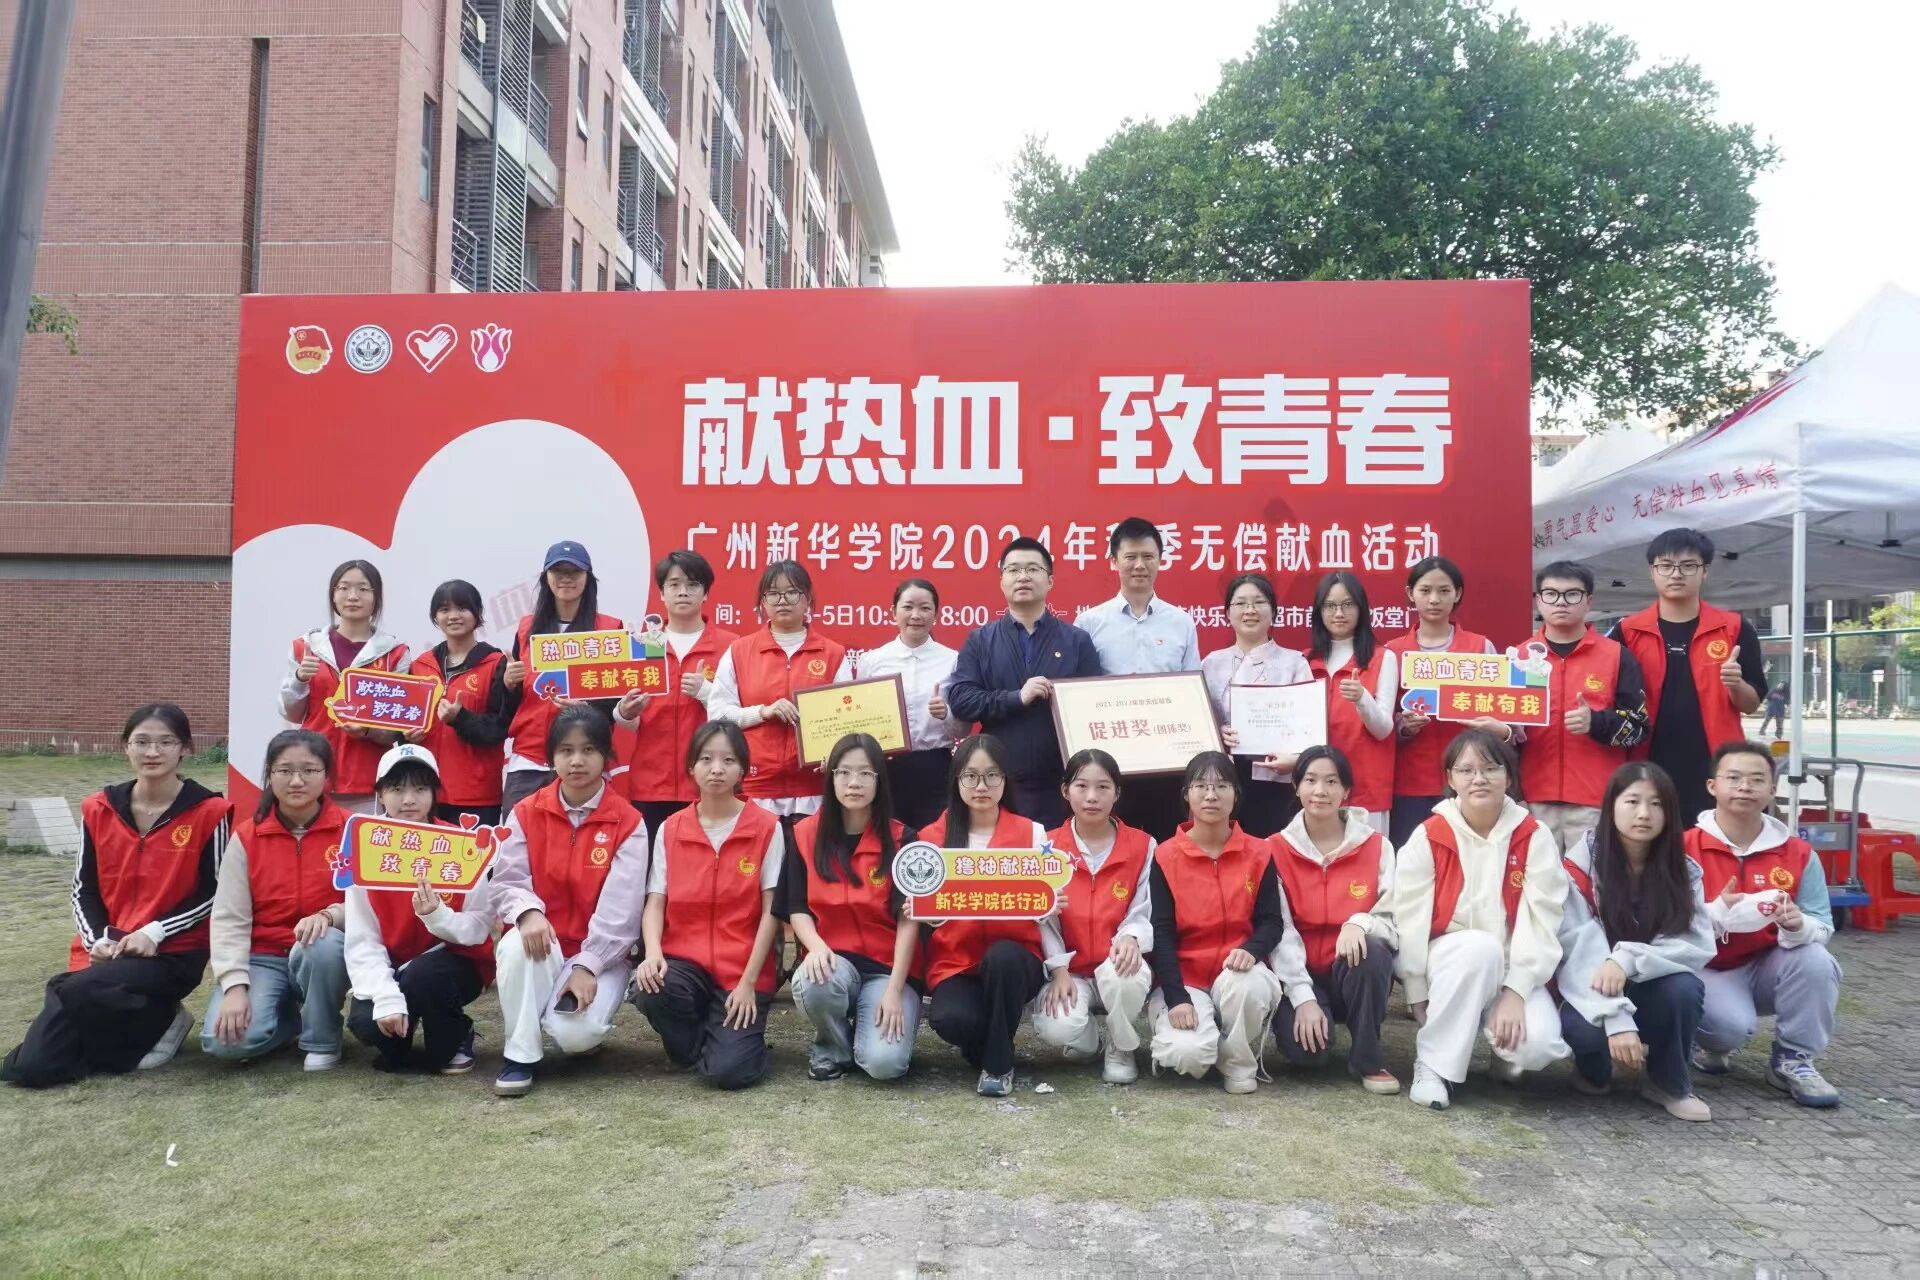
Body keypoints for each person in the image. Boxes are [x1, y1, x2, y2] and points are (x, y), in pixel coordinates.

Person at [2, 705, 226, 1088]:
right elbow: (83, 888)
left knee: (76, 988)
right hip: (105, 951)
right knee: (30, 1070)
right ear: (125, 746)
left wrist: (154, 932)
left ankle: (162, 1019)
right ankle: (151, 1024)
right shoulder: (98, 808)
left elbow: (214, 892)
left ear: (185, 749)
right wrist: (97, 941)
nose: (152, 752)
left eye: (165, 742)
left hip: (172, 952)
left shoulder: (211, 811)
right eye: (141, 742)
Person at [1391, 729, 1569, 1111]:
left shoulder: (1534, 836)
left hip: (1510, 965)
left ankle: (1503, 1055)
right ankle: (1433, 1065)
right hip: (1449, 960)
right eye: (1466, 770)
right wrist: (1416, 989)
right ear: (1450, 778)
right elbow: (1409, 917)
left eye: (1490, 768)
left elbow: (1544, 920)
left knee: (1537, 1046)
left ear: (1509, 775)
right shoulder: (1430, 835)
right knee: (1479, 949)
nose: (1479, 779)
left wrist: (1516, 991)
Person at [488, 704, 648, 1097]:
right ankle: (520, 1056)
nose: (577, 761)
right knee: (515, 944)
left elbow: (622, 909)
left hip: (601, 955)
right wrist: (527, 912)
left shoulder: (628, 821)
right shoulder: (526, 812)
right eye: (566, 750)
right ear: (551, 757)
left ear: (606, 756)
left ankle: (559, 1018)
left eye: (589, 750)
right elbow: (507, 878)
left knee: (575, 1036)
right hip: (544, 943)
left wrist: (588, 965)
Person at [1685, 741, 1843, 1108]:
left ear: (1772, 789)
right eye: (1734, 778)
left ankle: (1793, 1059)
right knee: (1727, 1029)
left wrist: (1799, 926)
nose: (1744, 787)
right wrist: (1714, 913)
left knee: (1817, 960)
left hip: (1768, 966)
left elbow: (1822, 922)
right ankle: (1703, 1042)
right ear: (1712, 786)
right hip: (1706, 967)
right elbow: (1664, 922)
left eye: (1757, 779)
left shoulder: (1798, 853)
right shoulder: (1683, 847)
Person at [1555, 762, 1714, 1121]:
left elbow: (1693, 943)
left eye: (1656, 804)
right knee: (1583, 1030)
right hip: (1589, 985)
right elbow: (1576, 945)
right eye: (1632, 801)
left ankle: (1668, 1083)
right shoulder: (1579, 868)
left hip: (1651, 985)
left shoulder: (1683, 871)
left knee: (1684, 989)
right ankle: (1592, 1070)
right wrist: (1617, 1019)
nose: (1644, 814)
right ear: (1610, 806)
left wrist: (1624, 960)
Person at [634, 721, 784, 1090]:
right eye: (706, 759)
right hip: (685, 965)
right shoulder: (671, 828)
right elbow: (656, 901)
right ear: (691, 767)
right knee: (650, 987)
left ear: (742, 769)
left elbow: (772, 911)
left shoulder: (767, 827)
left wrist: (749, 982)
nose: (716, 769)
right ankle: (697, 1041)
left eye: (728, 760)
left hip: (742, 969)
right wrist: (652, 953)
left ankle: (726, 1040)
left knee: (729, 1073)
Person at [203, 729, 353, 1071]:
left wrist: (330, 915)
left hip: (324, 952)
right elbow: (229, 917)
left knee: (323, 944)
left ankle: (322, 1039)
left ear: (327, 776)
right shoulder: (247, 837)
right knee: (223, 1042)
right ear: (269, 775)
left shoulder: (351, 830)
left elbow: (368, 903)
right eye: (284, 770)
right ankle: (288, 1022)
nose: (296, 781)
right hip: (263, 957)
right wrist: (234, 985)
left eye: (309, 770)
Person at [342, 744, 497, 1074]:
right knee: (369, 1027)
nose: (409, 800)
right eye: (397, 789)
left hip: (454, 963)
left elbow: (479, 926)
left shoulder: (460, 846)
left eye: (421, 789)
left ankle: (457, 1034)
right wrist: (386, 996)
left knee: (426, 980)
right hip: (394, 967)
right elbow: (363, 939)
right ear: (380, 794)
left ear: (434, 793)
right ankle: (403, 1029)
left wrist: (437, 917)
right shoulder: (365, 849)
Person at [923, 733, 1063, 1097]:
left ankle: (998, 1066)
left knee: (1003, 957)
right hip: (956, 962)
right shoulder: (931, 838)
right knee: (949, 1018)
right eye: (971, 776)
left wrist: (1050, 905)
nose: (981, 786)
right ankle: (988, 1042)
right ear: (957, 780)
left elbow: (1046, 915)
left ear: (1005, 780)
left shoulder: (1032, 834)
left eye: (991, 776)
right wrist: (926, 912)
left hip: (1016, 961)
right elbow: (928, 913)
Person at [779, 733, 921, 1082]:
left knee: (885, 1065)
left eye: (865, 773)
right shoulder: (804, 834)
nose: (853, 783)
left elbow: (909, 920)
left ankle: (867, 1034)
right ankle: (834, 1047)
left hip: (886, 970)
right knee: (813, 979)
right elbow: (797, 906)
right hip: (834, 963)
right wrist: (816, 948)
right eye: (844, 772)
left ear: (880, 780)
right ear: (830, 777)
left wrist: (895, 990)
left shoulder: (902, 839)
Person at [1147, 751, 1291, 1094]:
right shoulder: (1165, 855)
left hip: (1235, 973)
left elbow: (1272, 921)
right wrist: (1176, 996)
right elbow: (1161, 933)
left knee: (1250, 985)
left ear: (1236, 795)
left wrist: (1252, 949)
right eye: (1201, 786)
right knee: (1186, 1055)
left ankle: (1237, 1060)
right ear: (1187, 794)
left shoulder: (1259, 852)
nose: (1211, 795)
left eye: (1221, 786)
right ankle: (1204, 1040)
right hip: (1187, 979)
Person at [1267, 746, 1401, 1094]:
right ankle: (1308, 1022)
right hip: (1298, 974)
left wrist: (1359, 923)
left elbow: (1395, 914)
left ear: (1346, 791)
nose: (1320, 791)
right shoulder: (1273, 849)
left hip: (1351, 970)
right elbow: (1279, 929)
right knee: (1307, 1057)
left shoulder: (1377, 846)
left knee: (1372, 952)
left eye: (1331, 782)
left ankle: (1368, 1058)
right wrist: (1303, 997)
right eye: (1310, 780)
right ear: (1296, 787)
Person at [1609, 529, 1767, 822]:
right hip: (1646, 761)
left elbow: (1751, 704)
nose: (1676, 574)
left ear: (1705, 571)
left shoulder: (1734, 628)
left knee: (1713, 842)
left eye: (1688, 565)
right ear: (1652, 571)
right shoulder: (1627, 632)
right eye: (1666, 565)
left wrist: (1736, 684)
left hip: (1715, 765)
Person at [947, 537, 1103, 828]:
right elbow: (962, 700)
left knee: (1056, 855)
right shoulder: (981, 640)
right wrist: (1017, 697)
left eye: (1033, 569)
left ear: (1050, 581)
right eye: (1013, 570)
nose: (1023, 576)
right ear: (1002, 581)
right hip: (999, 782)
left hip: (1060, 782)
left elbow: (1094, 704)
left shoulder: (1076, 641)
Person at [1032, 749, 1155, 1084]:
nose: (1091, 797)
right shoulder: (1045, 847)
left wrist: (1131, 937)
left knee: (1126, 975)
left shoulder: (1143, 845)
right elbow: (1042, 920)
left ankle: (1121, 1046)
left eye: (1103, 787)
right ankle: (1089, 1041)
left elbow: (1144, 906)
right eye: (1081, 786)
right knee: (1057, 1027)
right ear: (1065, 790)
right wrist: (1058, 969)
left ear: (1117, 793)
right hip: (1070, 969)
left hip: (1115, 961)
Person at [1074, 517, 1200, 839]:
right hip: (1110, 762)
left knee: (1167, 843)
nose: (1139, 565)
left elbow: (1193, 693)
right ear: (1114, 561)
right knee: (1112, 841)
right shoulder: (1089, 623)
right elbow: (1078, 697)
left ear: (1160, 560)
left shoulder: (1181, 622)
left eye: (1148, 556)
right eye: (1130, 557)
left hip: (1168, 760)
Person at [706, 560, 852, 829]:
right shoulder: (739, 652)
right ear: (762, 602)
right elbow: (717, 715)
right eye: (773, 593)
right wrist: (763, 712)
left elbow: (847, 722)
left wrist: (833, 754)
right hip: (755, 789)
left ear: (808, 599)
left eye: (792, 592)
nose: (782, 600)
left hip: (814, 791)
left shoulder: (833, 654)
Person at [1519, 562, 1649, 850]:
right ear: (1538, 600)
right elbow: (1506, 735)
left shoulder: (1617, 656)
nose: (1561, 602)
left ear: (1588, 600)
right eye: (1551, 594)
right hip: (1531, 800)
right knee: (1536, 877)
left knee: (1594, 877)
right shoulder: (1519, 658)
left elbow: (1639, 728)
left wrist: (1597, 723)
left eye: (1572, 594)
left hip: (1596, 800)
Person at [1385, 556, 1512, 847]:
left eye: (1444, 591)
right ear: (1410, 594)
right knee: (1416, 858)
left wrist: (1498, 728)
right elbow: (1381, 720)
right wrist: (1404, 726)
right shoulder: (1392, 652)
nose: (1434, 599)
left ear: (1458, 594)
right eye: (1425, 590)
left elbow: (1504, 709)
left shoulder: (1481, 647)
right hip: (1411, 782)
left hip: (1471, 780)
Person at [494, 540, 626, 816]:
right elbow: (513, 702)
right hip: (530, 759)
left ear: (588, 578)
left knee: (582, 838)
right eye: (558, 571)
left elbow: (616, 700)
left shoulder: (609, 630)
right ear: (546, 577)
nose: (566, 578)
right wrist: (509, 683)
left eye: (574, 571)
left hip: (584, 757)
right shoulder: (526, 628)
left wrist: (587, 707)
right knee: (518, 838)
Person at [614, 549, 739, 835]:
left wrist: (708, 693)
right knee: (654, 861)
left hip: (710, 782)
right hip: (651, 784)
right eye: (674, 584)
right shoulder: (642, 645)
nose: (683, 592)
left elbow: (741, 713)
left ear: (706, 593)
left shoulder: (731, 646)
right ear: (661, 593)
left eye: (692, 585)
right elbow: (628, 719)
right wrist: (624, 712)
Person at [276, 559, 408, 813]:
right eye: (344, 588)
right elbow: (291, 713)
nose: (353, 596)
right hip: (313, 770)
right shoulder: (307, 647)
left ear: (377, 598)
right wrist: (300, 679)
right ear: (333, 595)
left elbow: (396, 729)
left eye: (363, 589)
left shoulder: (395, 653)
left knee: (361, 838)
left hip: (368, 777)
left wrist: (367, 730)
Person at [1203, 572, 1312, 838]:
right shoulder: (1211, 663)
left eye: (1259, 602)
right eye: (1240, 603)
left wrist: (1295, 760)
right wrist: (1216, 734)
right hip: (1220, 780)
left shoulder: (1294, 663)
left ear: (1273, 613)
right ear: (1227, 613)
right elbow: (1199, 721)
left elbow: (1309, 728)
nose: (1249, 610)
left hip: (1275, 779)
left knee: (1270, 851)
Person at [853, 578, 963, 830]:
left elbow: (963, 728)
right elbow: (859, 719)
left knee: (935, 838)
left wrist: (945, 714)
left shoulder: (952, 660)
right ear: (893, 612)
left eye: (925, 608)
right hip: (886, 765)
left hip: (935, 766)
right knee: (887, 836)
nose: (916, 615)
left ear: (936, 614)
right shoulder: (873, 661)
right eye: (908, 607)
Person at [407, 579, 508, 826]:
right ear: (435, 617)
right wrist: (406, 735)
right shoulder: (420, 665)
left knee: (474, 853)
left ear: (478, 613)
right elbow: (404, 718)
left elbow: (499, 728)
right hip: (426, 790)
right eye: (444, 610)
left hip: (477, 794)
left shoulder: (496, 663)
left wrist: (460, 719)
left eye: (462, 608)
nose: (453, 616)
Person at [1301, 571, 1396, 833]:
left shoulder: (1382, 657)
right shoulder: (1304, 660)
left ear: (1361, 608)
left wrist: (1362, 698)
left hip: (1366, 789)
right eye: (1330, 606)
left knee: (1367, 858)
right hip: (1317, 791)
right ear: (1319, 611)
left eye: (1348, 604)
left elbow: (1384, 729)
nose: (1339, 613)